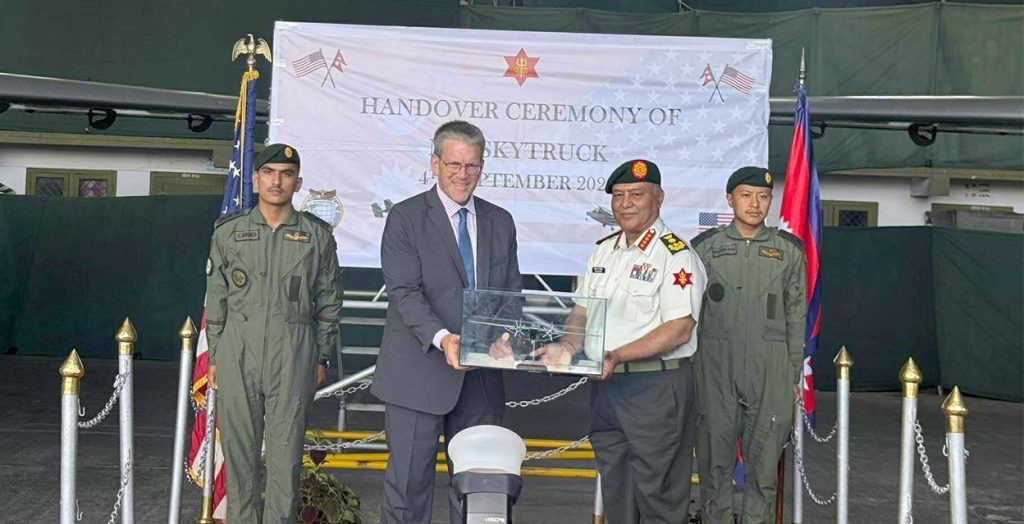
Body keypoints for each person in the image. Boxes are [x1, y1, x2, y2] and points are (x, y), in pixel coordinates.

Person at [536, 159, 706, 523]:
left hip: (655, 387)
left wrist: (616, 355)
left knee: (659, 497)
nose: (625, 204)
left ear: (659, 198)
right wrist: (568, 345)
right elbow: (581, 312)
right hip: (607, 389)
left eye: (636, 195)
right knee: (617, 493)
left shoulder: (675, 255)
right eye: (618, 195)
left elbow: (680, 328)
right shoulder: (605, 250)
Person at [371, 120, 522, 524]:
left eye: (472, 165)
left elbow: (510, 294)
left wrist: (504, 335)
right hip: (417, 378)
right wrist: (444, 339)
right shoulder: (405, 218)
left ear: (482, 166)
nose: (463, 174)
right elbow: (405, 293)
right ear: (434, 164)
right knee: (407, 496)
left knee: (481, 496)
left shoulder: (500, 221)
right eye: (454, 164)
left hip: (481, 382)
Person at [204, 143, 342, 523]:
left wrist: (322, 355)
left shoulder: (317, 237)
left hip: (293, 353)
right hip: (237, 351)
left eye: (286, 174)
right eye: (268, 172)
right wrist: (215, 355)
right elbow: (217, 299)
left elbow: (329, 301)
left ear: (298, 182)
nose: (276, 181)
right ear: (254, 179)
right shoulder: (229, 233)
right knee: (239, 460)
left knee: (286, 459)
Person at [690, 166, 807, 524]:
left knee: (764, 469)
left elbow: (796, 315)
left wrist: (792, 374)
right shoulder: (704, 249)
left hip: (770, 369)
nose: (755, 203)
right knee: (714, 466)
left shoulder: (789, 251)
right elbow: (689, 313)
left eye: (763, 196)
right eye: (746, 195)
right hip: (715, 366)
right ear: (730, 199)